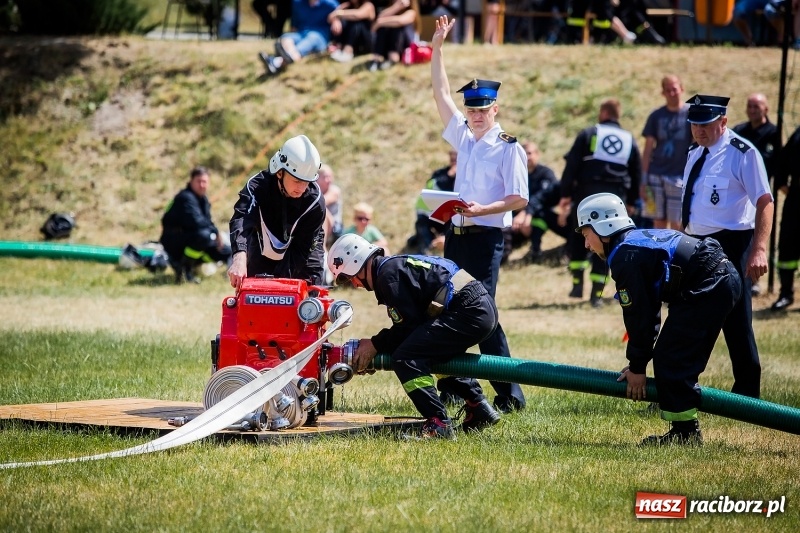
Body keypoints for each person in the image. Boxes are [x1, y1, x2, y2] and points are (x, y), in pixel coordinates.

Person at [576, 193, 741, 445]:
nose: (586, 245)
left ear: (604, 228)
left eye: (587, 235)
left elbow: (640, 316)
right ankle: (682, 426)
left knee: (672, 358)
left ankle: (686, 434)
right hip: (717, 276)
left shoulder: (626, 256)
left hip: (710, 283)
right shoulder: (633, 244)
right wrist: (638, 363)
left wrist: (637, 367)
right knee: (671, 354)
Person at [431, 15, 529, 413]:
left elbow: (519, 199)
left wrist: (481, 210)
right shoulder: (465, 138)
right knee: (450, 308)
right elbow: (440, 93)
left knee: (482, 314)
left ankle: (510, 395)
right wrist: (437, 48)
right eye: (471, 110)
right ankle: (457, 386)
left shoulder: (508, 147)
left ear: (495, 109)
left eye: (482, 110)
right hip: (456, 237)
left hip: (486, 238)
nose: (475, 115)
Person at [327, 233, 502, 439]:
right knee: (427, 351)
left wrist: (375, 344)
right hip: (479, 308)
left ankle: (439, 424)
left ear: (357, 263)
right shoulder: (392, 268)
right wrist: (379, 348)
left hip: (469, 312)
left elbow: (407, 327)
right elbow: (413, 327)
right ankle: (478, 407)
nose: (354, 284)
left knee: (406, 358)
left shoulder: (388, 277)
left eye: (349, 278)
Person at [680, 94, 774, 398]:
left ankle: (747, 395)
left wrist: (759, 249)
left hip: (731, 243)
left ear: (723, 121)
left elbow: (765, 201)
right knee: (688, 316)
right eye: (694, 124)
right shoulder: (695, 152)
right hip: (696, 243)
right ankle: (679, 385)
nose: (699, 130)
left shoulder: (742, 153)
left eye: (705, 124)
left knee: (737, 322)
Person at [557, 98, 642, 307]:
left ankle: (577, 283)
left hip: (586, 195)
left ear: (603, 113)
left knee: (580, 237)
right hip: (615, 199)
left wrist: (565, 194)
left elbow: (572, 165)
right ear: (617, 115)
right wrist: (632, 201)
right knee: (606, 242)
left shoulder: (588, 133)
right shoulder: (629, 139)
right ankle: (597, 294)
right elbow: (637, 173)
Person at [227, 135, 327, 289]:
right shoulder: (257, 187)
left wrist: (280, 283)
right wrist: (239, 257)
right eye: (297, 181)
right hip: (264, 244)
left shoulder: (315, 203)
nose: (301, 188)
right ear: (280, 172)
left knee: (310, 297)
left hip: (304, 252)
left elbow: (302, 250)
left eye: (306, 182)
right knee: (254, 293)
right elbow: (242, 220)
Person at [732, 93, 781, 296]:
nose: (752, 110)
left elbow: (780, 163)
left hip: (761, 195)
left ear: (766, 109)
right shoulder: (739, 132)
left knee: (758, 235)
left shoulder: (774, 133)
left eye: (757, 106)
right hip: (739, 194)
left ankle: (754, 280)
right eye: (750, 106)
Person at [160, 166, 232, 284]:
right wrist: (215, 232)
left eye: (205, 182)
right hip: (175, 242)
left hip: (195, 240)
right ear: (191, 181)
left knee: (228, 251)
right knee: (203, 236)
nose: (202, 185)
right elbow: (197, 223)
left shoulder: (203, 199)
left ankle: (230, 276)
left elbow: (207, 221)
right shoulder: (185, 197)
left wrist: (217, 235)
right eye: (199, 181)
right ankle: (184, 270)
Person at [640, 75, 693, 230]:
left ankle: (676, 247)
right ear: (663, 93)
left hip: (679, 176)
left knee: (677, 223)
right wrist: (643, 179)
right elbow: (647, 149)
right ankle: (659, 247)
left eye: (674, 89)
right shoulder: (656, 116)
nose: (671, 93)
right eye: (668, 90)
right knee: (658, 222)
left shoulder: (690, 114)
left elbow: (695, 145)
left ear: (681, 89)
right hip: (656, 175)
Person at [506, 141, 569, 263]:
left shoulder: (546, 173)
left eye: (529, 153)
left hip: (539, 214)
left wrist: (526, 213)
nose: (527, 157)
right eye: (524, 154)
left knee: (540, 216)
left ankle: (535, 251)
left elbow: (547, 198)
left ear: (537, 154)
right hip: (517, 213)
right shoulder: (516, 175)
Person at [258, 0, 339, 76]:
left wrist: (336, 21)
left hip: (319, 37)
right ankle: (282, 60)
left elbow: (339, 16)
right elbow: (294, 26)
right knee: (286, 38)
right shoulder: (297, 3)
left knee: (311, 39)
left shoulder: (330, 4)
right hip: (300, 34)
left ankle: (277, 61)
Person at [770, 125, 800, 311]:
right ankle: (786, 293)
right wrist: (782, 182)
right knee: (788, 244)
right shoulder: (798, 135)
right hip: (796, 197)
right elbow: (782, 161)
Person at [407, 149, 457, 254]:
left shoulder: (467, 177)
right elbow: (433, 187)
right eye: (451, 155)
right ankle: (425, 252)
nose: (453, 158)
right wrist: (450, 175)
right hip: (433, 214)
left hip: (453, 217)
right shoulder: (440, 173)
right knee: (421, 223)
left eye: (456, 156)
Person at [368, 0, 418, 72]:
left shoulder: (411, 12)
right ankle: (376, 59)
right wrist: (396, 7)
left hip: (405, 48)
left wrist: (380, 22)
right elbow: (380, 17)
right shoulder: (392, 9)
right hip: (389, 45)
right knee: (383, 29)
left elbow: (400, 21)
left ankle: (393, 59)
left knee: (398, 28)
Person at [318, 164, 344, 248]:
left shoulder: (334, 190)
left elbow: (320, 203)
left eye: (330, 176)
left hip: (335, 227)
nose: (328, 180)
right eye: (325, 177)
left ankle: (323, 247)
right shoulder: (316, 191)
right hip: (318, 223)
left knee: (322, 210)